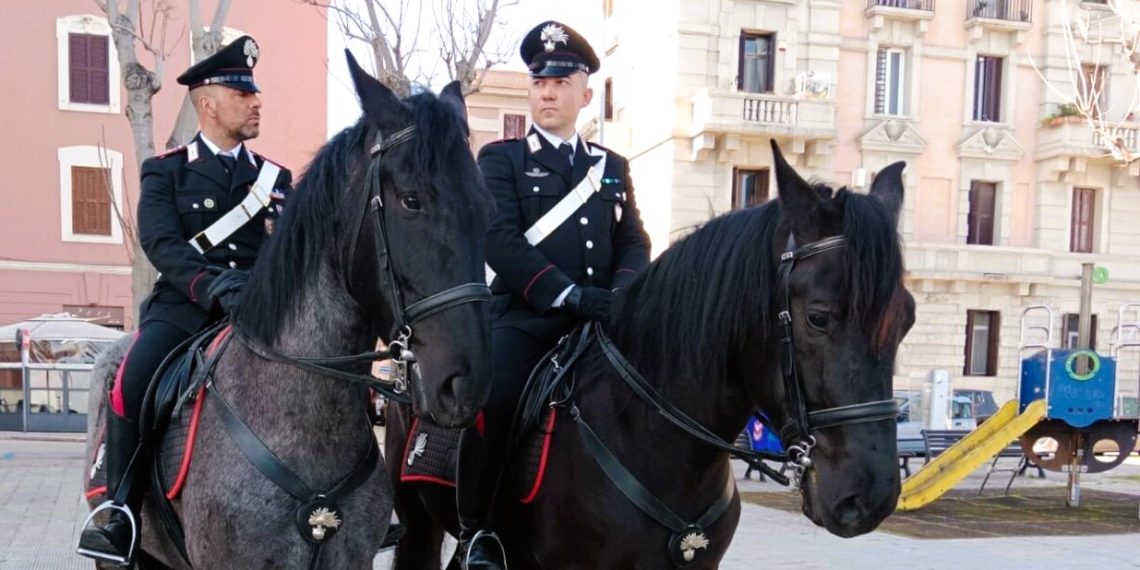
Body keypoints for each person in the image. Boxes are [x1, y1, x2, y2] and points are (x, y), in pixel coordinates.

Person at [77, 36, 291, 566]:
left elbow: (290, 255)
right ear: (208, 103)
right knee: (132, 383)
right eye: (243, 94)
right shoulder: (165, 171)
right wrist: (212, 286)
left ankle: (353, 501)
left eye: (256, 93)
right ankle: (121, 513)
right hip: (185, 310)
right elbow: (162, 244)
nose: (257, 101)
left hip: (257, 315)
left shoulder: (276, 179)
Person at [456, 20, 652, 570]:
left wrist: (622, 294)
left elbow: (634, 239)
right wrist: (566, 295)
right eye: (540, 81)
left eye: (561, 82)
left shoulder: (611, 167)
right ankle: (480, 531)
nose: (548, 91)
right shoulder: (501, 159)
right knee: (493, 399)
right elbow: (500, 240)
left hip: (604, 321)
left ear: (585, 94)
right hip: (527, 317)